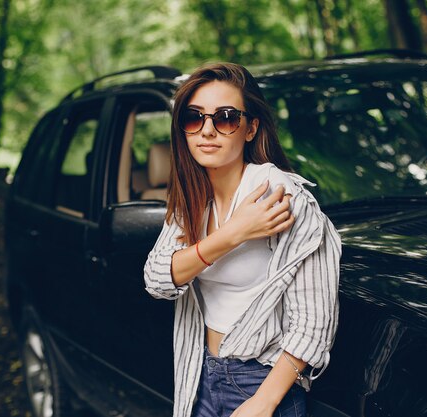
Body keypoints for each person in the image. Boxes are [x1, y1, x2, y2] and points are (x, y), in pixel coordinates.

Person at [143, 62, 341, 417]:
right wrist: (235, 233)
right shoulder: (190, 200)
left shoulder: (283, 198)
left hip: (261, 384)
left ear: (250, 129)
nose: (207, 130)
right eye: (194, 117)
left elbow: (313, 323)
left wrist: (263, 403)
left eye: (226, 117)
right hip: (199, 374)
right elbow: (157, 280)